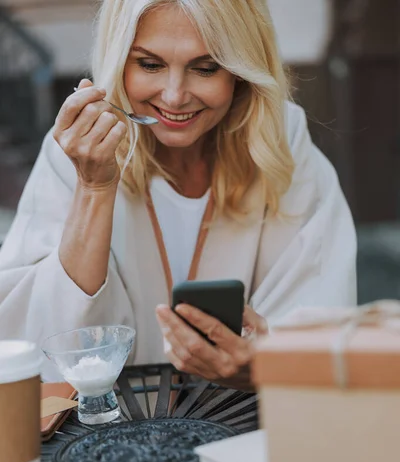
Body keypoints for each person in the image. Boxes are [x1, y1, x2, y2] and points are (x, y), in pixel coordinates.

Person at [0, 0, 356, 388]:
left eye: (205, 68)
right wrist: (95, 187)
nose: (174, 96)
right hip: (110, 429)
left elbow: (322, 312)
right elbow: (43, 336)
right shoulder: (77, 149)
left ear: (241, 71)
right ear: (118, 61)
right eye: (150, 65)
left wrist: (264, 362)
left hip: (247, 422)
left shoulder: (282, 142)